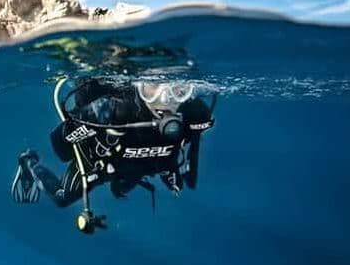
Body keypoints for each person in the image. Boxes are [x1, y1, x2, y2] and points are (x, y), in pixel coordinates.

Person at [11, 77, 216, 232]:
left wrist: (173, 169)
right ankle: (29, 163)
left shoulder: (193, 115)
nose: (165, 99)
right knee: (62, 198)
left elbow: (191, 149)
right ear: (138, 85)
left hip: (142, 167)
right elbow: (61, 149)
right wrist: (92, 121)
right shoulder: (112, 110)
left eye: (178, 90)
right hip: (100, 164)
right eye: (153, 86)